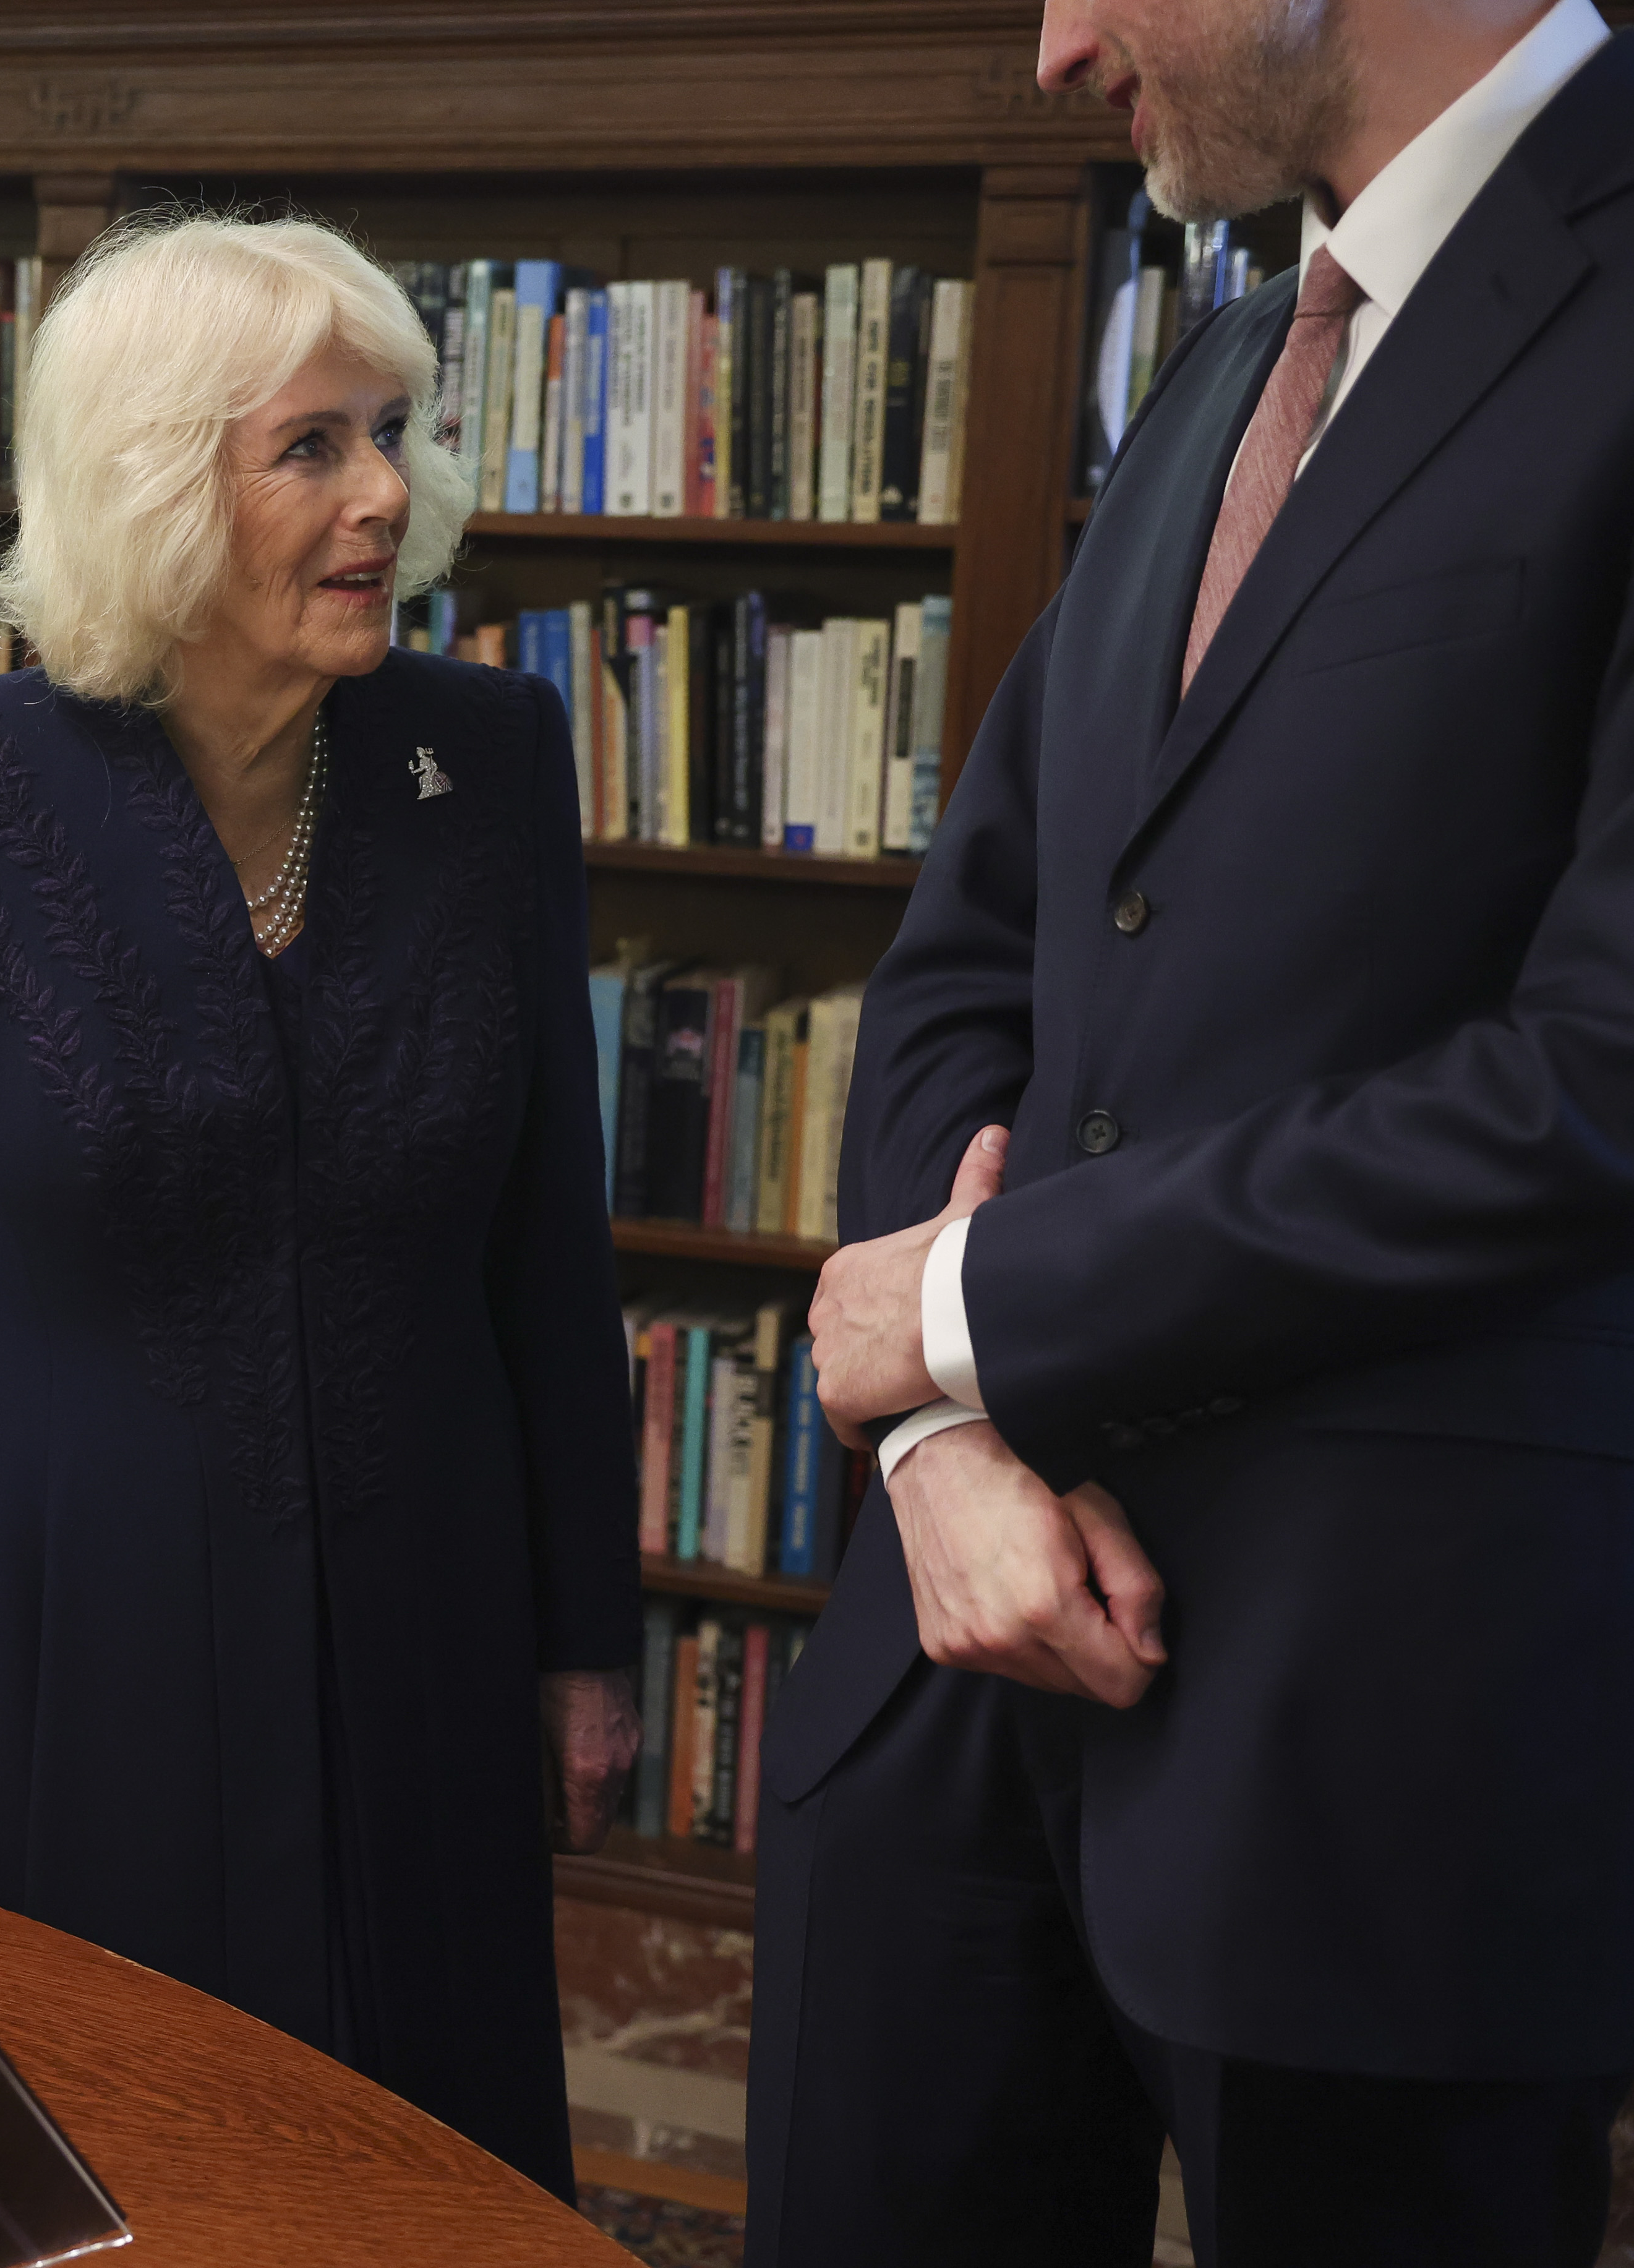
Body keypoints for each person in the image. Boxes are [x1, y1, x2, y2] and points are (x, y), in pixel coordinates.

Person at [0, 212, 641, 2186]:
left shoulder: (492, 760)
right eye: (312, 448)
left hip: (420, 1607)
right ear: (158, 487)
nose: (386, 496)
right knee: (57, 2155)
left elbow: (549, 1239)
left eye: (393, 433)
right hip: (60, 1619)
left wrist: (581, 1635)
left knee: (400, 2166)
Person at [753, 3, 1634, 2261]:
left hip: (1389, 1754)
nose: (1055, 50)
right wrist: (937, 1438)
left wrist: (967, 1306)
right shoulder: (1229, 366)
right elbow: (974, 951)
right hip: (948, 1677)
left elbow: (1598, 1076)